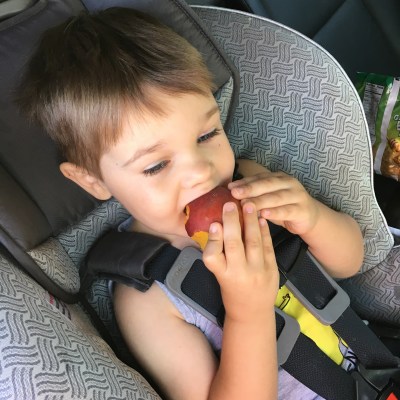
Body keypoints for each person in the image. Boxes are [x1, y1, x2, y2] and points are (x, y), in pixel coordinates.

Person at [17, 7, 364, 400]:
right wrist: (248, 314)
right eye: (156, 165)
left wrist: (313, 218)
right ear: (93, 180)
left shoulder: (252, 184)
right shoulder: (147, 299)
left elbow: (351, 261)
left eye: (207, 135)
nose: (201, 170)